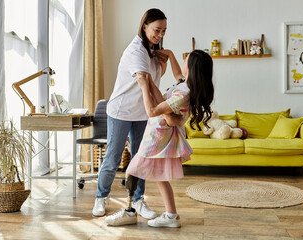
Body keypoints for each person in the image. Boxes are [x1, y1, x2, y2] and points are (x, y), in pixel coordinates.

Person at [105, 49, 215, 227]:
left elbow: (152, 110)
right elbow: (176, 78)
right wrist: (169, 57)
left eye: (187, 59)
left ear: (192, 67)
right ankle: (171, 216)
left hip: (157, 138)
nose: (184, 59)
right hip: (160, 135)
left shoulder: (183, 94)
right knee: (160, 177)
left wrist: (143, 87)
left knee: (131, 171)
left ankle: (129, 212)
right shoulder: (186, 85)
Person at [92, 8, 170, 219]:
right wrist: (159, 107)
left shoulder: (152, 50)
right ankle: (101, 197)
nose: (160, 35)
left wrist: (162, 62)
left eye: (163, 31)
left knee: (140, 158)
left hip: (141, 114)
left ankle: (137, 199)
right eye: (157, 30)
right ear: (144, 26)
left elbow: (156, 76)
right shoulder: (135, 51)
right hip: (121, 111)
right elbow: (145, 81)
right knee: (113, 158)